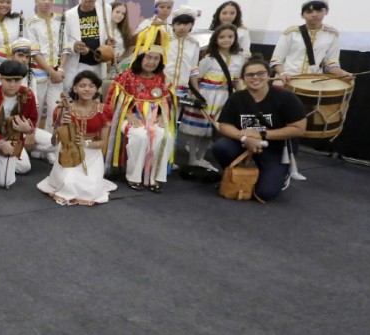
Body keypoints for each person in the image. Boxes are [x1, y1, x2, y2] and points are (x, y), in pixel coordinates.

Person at [269, 0, 352, 181]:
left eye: (318, 10)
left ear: (326, 12)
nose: (314, 14)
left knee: (295, 127)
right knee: (276, 123)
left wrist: (342, 73)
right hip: (285, 83)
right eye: (309, 11)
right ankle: (274, 163)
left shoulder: (332, 34)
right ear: (302, 14)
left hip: (309, 87)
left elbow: (330, 64)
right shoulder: (291, 33)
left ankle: (291, 165)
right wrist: (282, 73)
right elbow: (276, 60)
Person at [215, 55, 307, 202]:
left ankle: (279, 173)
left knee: (265, 193)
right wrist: (245, 138)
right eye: (250, 75)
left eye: (260, 73)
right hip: (244, 144)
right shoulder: (236, 98)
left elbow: (298, 128)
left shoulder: (286, 98)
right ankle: (237, 172)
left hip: (274, 149)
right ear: (243, 78)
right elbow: (224, 125)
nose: (255, 78)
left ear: (269, 75)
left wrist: (261, 134)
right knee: (221, 147)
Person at [0, 50, 56, 189]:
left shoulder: (27, 94)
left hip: (16, 135)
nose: (12, 84)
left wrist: (29, 131)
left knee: (46, 148)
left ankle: (1, 158)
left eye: (16, 80)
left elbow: (33, 118)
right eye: (8, 80)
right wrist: (0, 143)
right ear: (1, 79)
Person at [36, 70, 117, 205]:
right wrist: (60, 125)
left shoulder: (104, 110)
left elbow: (103, 142)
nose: (87, 89)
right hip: (68, 152)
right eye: (82, 85)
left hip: (92, 154)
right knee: (68, 183)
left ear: (97, 89)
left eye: (91, 86)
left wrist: (86, 143)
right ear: (75, 88)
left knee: (91, 189)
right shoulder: (62, 109)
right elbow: (54, 141)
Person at [105, 45, 175, 192]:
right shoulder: (127, 76)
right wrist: (128, 114)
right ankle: (134, 176)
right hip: (130, 117)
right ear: (140, 58)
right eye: (148, 57)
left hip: (154, 118)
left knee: (165, 135)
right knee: (140, 135)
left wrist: (163, 115)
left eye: (156, 58)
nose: (152, 62)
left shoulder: (162, 78)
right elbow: (113, 102)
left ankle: (155, 177)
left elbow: (168, 102)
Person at [180, 24, 244, 170]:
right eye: (222, 37)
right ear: (216, 39)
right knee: (198, 129)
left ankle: (200, 158)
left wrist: (241, 96)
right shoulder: (209, 58)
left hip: (224, 97)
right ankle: (192, 159)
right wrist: (197, 95)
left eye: (230, 36)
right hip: (206, 96)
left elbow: (236, 80)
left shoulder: (239, 58)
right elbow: (196, 77)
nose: (226, 40)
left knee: (212, 128)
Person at [25, 0, 67, 132]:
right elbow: (34, 52)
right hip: (38, 75)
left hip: (57, 75)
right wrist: (52, 72)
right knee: (34, 111)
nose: (47, 2)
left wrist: (60, 69)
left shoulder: (61, 21)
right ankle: (32, 144)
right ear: (36, 1)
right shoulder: (31, 23)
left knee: (56, 111)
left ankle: (50, 147)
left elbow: (65, 48)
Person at [61, 0, 114, 84]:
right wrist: (74, 46)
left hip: (99, 64)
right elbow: (63, 42)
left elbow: (108, 32)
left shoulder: (106, 9)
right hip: (78, 65)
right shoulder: (68, 15)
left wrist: (110, 41)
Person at [108, 0, 137, 72]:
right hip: (103, 65)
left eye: (123, 13)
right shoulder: (102, 28)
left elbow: (131, 46)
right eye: (117, 12)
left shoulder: (124, 30)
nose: (120, 15)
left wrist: (121, 58)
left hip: (119, 67)